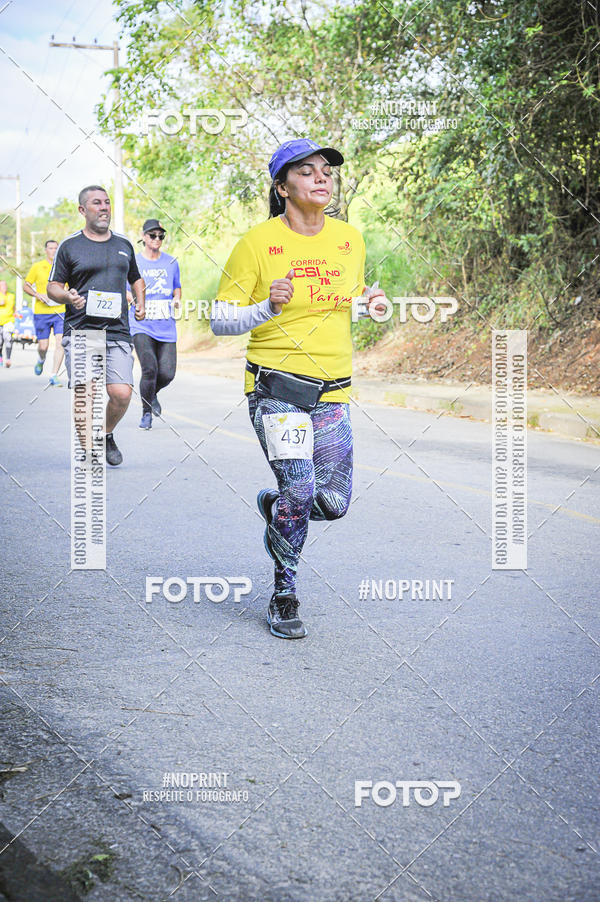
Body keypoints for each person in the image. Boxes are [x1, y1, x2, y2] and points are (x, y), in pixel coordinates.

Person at [211, 138, 386, 639]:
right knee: (301, 486)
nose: (322, 177)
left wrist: (366, 303)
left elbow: (336, 302)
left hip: (333, 393)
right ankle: (284, 592)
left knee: (333, 502)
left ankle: (279, 505)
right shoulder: (257, 243)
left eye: (326, 169)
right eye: (306, 171)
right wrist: (267, 306)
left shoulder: (350, 239)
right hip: (277, 391)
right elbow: (220, 319)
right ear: (282, 187)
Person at [47, 186, 145, 466]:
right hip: (81, 330)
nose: (104, 207)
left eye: (107, 202)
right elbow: (53, 286)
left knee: (122, 393)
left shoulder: (124, 245)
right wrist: (67, 296)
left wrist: (140, 301)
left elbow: (136, 279)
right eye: (96, 203)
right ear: (82, 210)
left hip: (117, 330)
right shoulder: (70, 246)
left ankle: (106, 434)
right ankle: (89, 451)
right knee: (84, 394)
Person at [128, 218, 181, 429]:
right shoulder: (135, 262)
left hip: (165, 324)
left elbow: (177, 286)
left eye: (160, 236)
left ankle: (152, 393)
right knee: (149, 369)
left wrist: (177, 299)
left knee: (167, 373)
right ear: (144, 237)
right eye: (152, 235)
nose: (157, 239)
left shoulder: (171, 262)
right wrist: (133, 302)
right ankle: (146, 412)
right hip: (141, 323)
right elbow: (125, 287)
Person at [24, 239, 65, 385]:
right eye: (51, 248)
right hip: (41, 312)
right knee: (44, 346)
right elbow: (26, 286)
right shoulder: (37, 267)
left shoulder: (64, 266)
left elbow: (71, 287)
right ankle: (41, 359)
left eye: (56, 248)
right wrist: (37, 295)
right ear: (46, 250)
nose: (53, 251)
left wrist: (64, 294)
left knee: (61, 342)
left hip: (60, 311)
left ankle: (54, 374)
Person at [0, 280, 16, 368]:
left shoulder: (11, 296)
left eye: (5, 285)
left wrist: (16, 312)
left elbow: (13, 307)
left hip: (9, 322)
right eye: (2, 285)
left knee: (9, 340)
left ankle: (8, 359)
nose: (4, 287)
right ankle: (0, 357)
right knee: (0, 342)